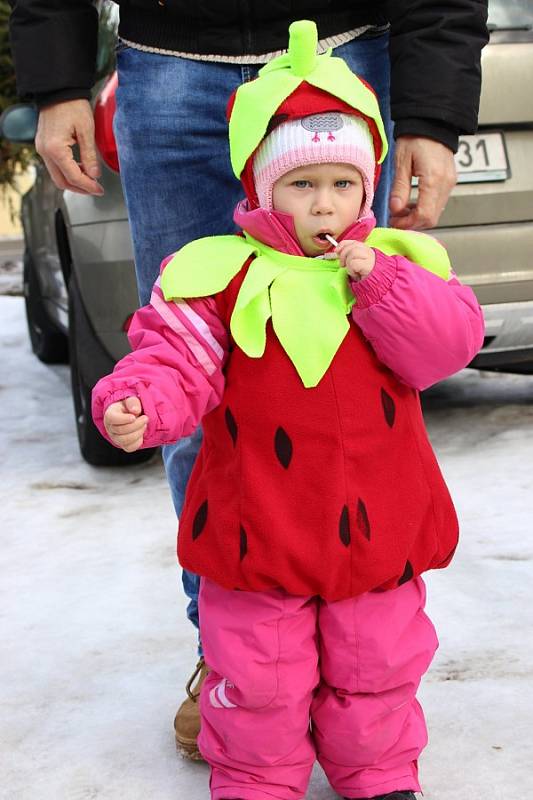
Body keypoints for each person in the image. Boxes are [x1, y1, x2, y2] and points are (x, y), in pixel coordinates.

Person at [8, 0, 489, 759]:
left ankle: (360, 678)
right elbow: (176, 351)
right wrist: (56, 77)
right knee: (192, 356)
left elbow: (429, 340)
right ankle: (241, 664)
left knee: (359, 351)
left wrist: (432, 113)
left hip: (345, 45)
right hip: (167, 58)